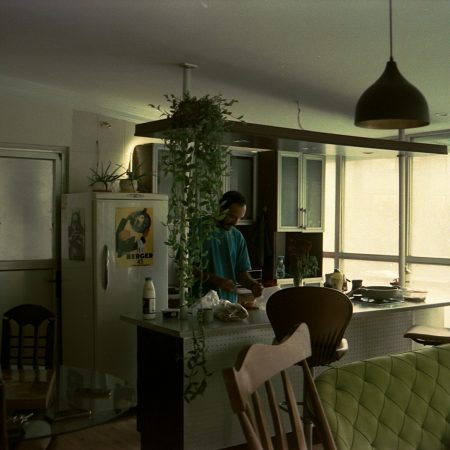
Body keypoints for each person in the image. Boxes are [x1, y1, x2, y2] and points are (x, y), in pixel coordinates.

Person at [200, 191, 263, 303]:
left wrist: (253, 285)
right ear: (221, 209)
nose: (235, 222)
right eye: (232, 217)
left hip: (229, 304)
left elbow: (240, 272)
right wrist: (215, 280)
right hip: (202, 304)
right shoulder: (199, 229)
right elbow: (184, 268)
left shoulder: (237, 237)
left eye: (239, 218)